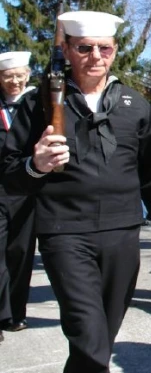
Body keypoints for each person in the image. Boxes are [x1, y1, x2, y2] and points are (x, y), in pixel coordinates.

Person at [0, 10, 151, 372]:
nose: (95, 56)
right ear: (67, 50)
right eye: (84, 48)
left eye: (105, 48)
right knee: (87, 331)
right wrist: (35, 165)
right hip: (63, 231)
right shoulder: (39, 104)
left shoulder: (135, 104)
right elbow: (8, 171)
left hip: (122, 232)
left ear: (114, 51)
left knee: (102, 336)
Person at [0, 51, 35, 340]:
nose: (14, 81)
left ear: (28, 76)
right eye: (8, 76)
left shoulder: (37, 105)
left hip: (27, 192)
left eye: (19, 75)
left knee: (21, 254)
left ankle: (15, 314)